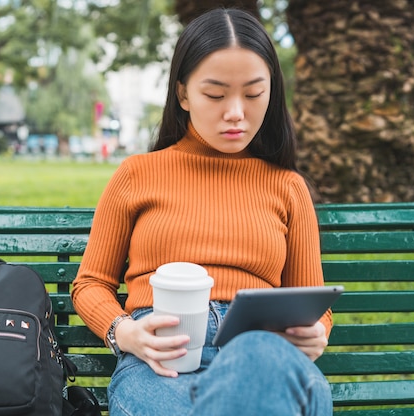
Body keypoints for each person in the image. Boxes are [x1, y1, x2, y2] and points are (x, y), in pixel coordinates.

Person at [71, 7, 333, 415]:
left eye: (252, 94)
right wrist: (124, 332)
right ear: (183, 94)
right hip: (160, 365)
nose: (235, 113)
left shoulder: (287, 187)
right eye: (215, 94)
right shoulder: (137, 175)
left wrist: (315, 332)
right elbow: (90, 283)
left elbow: (313, 303)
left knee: (258, 365)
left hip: (260, 353)